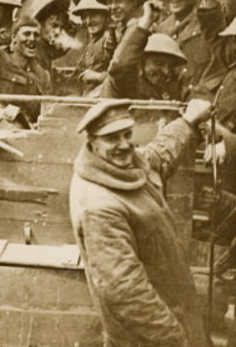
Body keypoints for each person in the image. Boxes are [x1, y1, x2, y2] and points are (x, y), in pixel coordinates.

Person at [70, 97, 212, 347]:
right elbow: (125, 291)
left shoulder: (126, 165)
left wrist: (188, 121)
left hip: (174, 315)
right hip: (148, 336)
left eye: (127, 134)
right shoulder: (99, 206)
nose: (124, 145)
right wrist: (175, 338)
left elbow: (158, 153)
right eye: (112, 138)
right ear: (92, 142)